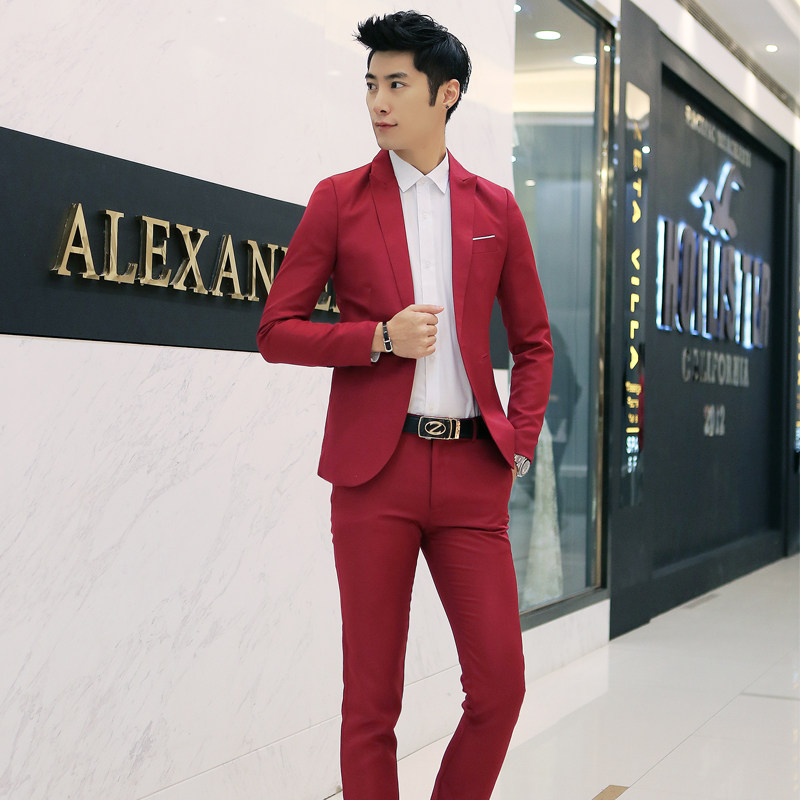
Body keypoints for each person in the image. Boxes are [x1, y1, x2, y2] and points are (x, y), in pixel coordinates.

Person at [257, 11, 553, 800]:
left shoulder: (496, 210)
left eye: (396, 84)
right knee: (371, 703)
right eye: (370, 85)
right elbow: (276, 331)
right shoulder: (338, 200)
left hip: (472, 474)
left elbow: (534, 343)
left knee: (500, 688)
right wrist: (379, 339)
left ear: (445, 93)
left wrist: (519, 443)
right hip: (373, 477)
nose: (378, 102)